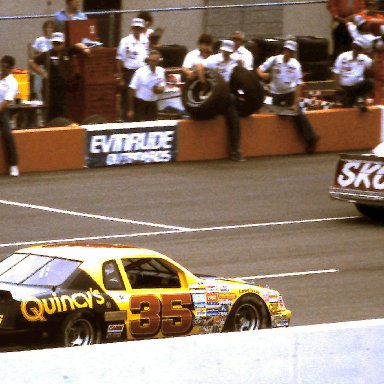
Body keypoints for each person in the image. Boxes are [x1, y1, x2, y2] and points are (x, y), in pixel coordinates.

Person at [256, 40, 319, 154]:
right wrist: (264, 76)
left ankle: (311, 139)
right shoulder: (274, 60)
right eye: (287, 50)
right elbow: (259, 70)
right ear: (284, 50)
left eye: (291, 51)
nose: (288, 53)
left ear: (293, 53)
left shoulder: (295, 65)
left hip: (289, 92)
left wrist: (295, 103)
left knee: (298, 113)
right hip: (275, 92)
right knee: (274, 114)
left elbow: (299, 84)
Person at [196, 40, 245, 161]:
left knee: (234, 119)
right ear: (222, 50)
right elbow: (199, 66)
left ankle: (235, 151)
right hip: (213, 93)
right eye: (225, 51)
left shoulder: (236, 60)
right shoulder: (213, 59)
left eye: (228, 52)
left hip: (227, 94)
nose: (226, 54)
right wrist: (203, 83)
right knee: (231, 99)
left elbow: (245, 76)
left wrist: (241, 66)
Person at [28, 32, 91, 121]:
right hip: (50, 88)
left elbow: (78, 45)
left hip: (64, 88)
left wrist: (85, 49)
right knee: (50, 113)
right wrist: (43, 73)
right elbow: (31, 62)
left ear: (63, 43)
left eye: (59, 43)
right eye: (55, 43)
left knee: (63, 112)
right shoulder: (47, 54)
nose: (57, 45)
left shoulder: (67, 51)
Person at [116, 18, 148, 121]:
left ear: (142, 29)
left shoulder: (145, 40)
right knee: (127, 97)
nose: (137, 30)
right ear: (132, 28)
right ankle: (126, 118)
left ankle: (139, 118)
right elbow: (119, 59)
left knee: (141, 96)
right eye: (135, 28)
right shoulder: (125, 41)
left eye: (139, 28)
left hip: (142, 71)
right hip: (129, 71)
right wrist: (121, 78)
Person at [332, 37, 374, 110]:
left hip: (358, 87)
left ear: (361, 50)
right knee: (348, 108)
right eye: (354, 47)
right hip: (345, 88)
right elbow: (336, 72)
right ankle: (352, 102)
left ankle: (361, 100)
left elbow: (374, 66)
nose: (355, 50)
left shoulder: (364, 58)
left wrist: (376, 53)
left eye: (358, 48)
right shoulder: (343, 57)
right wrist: (337, 87)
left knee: (370, 82)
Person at [128, 50, 166, 121]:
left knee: (152, 127)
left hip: (153, 104)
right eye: (150, 60)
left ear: (158, 61)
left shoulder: (161, 71)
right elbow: (131, 89)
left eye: (154, 61)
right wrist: (131, 109)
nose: (151, 62)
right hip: (141, 104)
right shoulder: (140, 71)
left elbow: (162, 87)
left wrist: (158, 90)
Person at [0, 56, 20, 177]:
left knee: (7, 134)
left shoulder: (12, 82)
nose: (3, 68)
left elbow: (6, 101)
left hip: (2, 110)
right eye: (2, 65)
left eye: (7, 67)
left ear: (12, 68)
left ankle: (13, 165)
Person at [31, 20, 56, 101]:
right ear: (44, 29)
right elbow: (33, 55)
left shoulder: (55, 41)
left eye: (52, 28)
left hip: (51, 66)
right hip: (41, 66)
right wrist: (41, 54)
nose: (50, 30)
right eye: (49, 28)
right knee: (39, 87)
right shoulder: (39, 40)